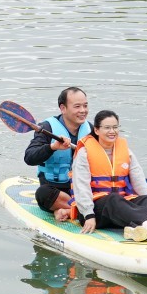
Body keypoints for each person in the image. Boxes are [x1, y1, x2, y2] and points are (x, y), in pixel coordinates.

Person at [71, 109, 147, 242]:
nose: (112, 131)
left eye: (115, 127)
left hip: (120, 209)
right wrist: (88, 215)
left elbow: (139, 182)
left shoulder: (126, 151)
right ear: (96, 130)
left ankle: (138, 228)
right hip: (95, 212)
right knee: (113, 199)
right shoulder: (84, 153)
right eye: (107, 128)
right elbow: (81, 186)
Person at [26, 86, 91, 215]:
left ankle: (68, 211)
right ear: (63, 108)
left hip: (84, 190)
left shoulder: (91, 130)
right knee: (43, 194)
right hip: (57, 191)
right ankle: (80, 210)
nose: (83, 110)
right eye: (77, 106)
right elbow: (29, 157)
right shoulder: (46, 128)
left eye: (85, 106)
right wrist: (52, 147)